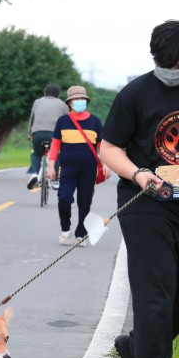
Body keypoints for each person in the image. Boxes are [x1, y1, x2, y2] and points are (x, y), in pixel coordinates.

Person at [101, 19, 179, 358]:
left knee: (173, 298)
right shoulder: (134, 94)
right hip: (146, 203)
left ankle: (134, 348)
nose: (172, 72)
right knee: (155, 292)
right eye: (166, 64)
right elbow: (109, 147)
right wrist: (138, 173)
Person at [46, 86, 110, 247]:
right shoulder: (62, 121)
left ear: (86, 101)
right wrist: (51, 166)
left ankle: (81, 233)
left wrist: (106, 164)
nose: (80, 101)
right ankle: (65, 229)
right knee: (64, 198)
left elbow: (102, 146)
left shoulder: (95, 121)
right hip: (67, 168)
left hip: (89, 169)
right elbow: (55, 145)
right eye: (76, 99)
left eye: (82, 99)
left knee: (85, 201)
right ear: (70, 103)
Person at [27, 84, 69, 190]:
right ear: (58, 95)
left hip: (37, 133)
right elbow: (68, 122)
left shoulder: (37, 102)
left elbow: (32, 119)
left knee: (36, 153)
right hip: (55, 134)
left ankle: (34, 174)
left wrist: (29, 133)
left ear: (45, 93)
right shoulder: (63, 104)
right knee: (56, 155)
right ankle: (55, 181)